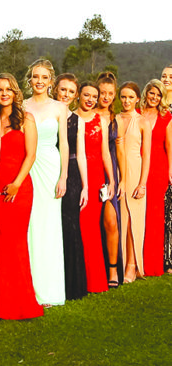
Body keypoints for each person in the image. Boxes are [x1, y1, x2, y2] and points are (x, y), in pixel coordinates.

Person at [0, 73, 43, 320]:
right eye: (0, 89)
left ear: (15, 93)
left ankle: (19, 304)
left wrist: (16, 184)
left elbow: (31, 155)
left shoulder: (25, 119)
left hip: (18, 190)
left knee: (14, 245)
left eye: (8, 89)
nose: (4, 93)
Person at [24, 59, 69, 307]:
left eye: (44, 77)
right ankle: (28, 287)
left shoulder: (59, 107)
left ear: (51, 81)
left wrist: (63, 176)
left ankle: (49, 290)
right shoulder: (21, 105)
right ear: (30, 79)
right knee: (29, 224)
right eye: (35, 76)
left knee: (49, 227)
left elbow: (64, 144)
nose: (39, 81)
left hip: (51, 169)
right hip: (27, 166)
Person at [76, 82, 115, 293]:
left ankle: (96, 280)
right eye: (86, 95)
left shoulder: (101, 120)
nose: (90, 99)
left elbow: (105, 153)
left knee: (92, 227)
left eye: (94, 96)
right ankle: (79, 279)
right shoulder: (70, 118)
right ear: (79, 96)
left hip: (97, 175)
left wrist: (111, 180)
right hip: (76, 175)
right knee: (78, 226)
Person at [53, 73, 88, 299]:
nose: (66, 94)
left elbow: (81, 154)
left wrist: (85, 186)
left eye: (71, 91)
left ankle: (72, 285)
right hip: (47, 170)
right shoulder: (45, 114)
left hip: (72, 174)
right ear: (55, 89)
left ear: (75, 96)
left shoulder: (78, 120)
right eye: (63, 89)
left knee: (70, 225)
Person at [116, 81, 151, 282]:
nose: (127, 101)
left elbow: (146, 156)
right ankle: (118, 264)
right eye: (123, 97)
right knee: (119, 220)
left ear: (137, 98)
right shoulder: (115, 118)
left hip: (136, 173)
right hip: (117, 172)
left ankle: (132, 265)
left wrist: (142, 183)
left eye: (130, 97)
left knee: (132, 221)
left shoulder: (142, 122)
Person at [140, 79, 172, 276]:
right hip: (137, 167)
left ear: (162, 98)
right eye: (152, 93)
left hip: (159, 169)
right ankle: (137, 261)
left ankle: (152, 264)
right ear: (146, 93)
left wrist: (170, 171)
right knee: (139, 214)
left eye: (158, 95)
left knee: (155, 216)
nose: (154, 97)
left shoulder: (166, 117)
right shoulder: (137, 113)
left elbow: (170, 146)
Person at [96, 72, 125, 287]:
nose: (105, 97)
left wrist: (122, 179)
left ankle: (113, 270)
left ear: (114, 95)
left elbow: (120, 151)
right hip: (92, 168)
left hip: (110, 174)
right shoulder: (88, 115)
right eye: (102, 93)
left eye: (109, 93)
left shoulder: (116, 119)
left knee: (111, 221)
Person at [161, 65, 172, 272]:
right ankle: (165, 257)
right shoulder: (157, 102)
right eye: (163, 75)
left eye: (171, 76)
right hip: (160, 158)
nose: (167, 79)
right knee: (165, 211)